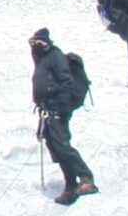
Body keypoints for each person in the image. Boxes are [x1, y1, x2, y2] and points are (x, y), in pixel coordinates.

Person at [28, 28, 97, 206]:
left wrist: (58, 105)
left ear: (47, 43)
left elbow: (66, 81)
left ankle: (86, 178)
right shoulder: (41, 60)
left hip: (57, 109)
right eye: (33, 43)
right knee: (55, 146)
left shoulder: (55, 56)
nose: (36, 46)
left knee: (62, 146)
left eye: (40, 43)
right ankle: (70, 185)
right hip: (47, 110)